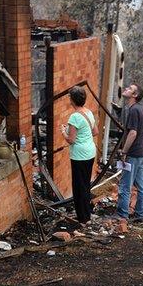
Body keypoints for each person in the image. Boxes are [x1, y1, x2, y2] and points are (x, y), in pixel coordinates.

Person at [61, 86, 97, 223]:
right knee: (86, 184)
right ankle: (86, 214)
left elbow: (71, 140)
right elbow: (95, 132)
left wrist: (63, 131)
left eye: (70, 97)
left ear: (73, 100)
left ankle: (82, 217)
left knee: (78, 186)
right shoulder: (89, 112)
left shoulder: (75, 117)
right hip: (90, 152)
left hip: (79, 155)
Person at [116, 83, 143, 221]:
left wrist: (124, 152)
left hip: (134, 154)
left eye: (130, 89)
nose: (126, 89)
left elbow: (133, 133)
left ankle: (122, 216)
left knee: (125, 186)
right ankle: (141, 214)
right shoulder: (141, 110)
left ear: (134, 96)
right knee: (141, 187)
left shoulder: (134, 110)